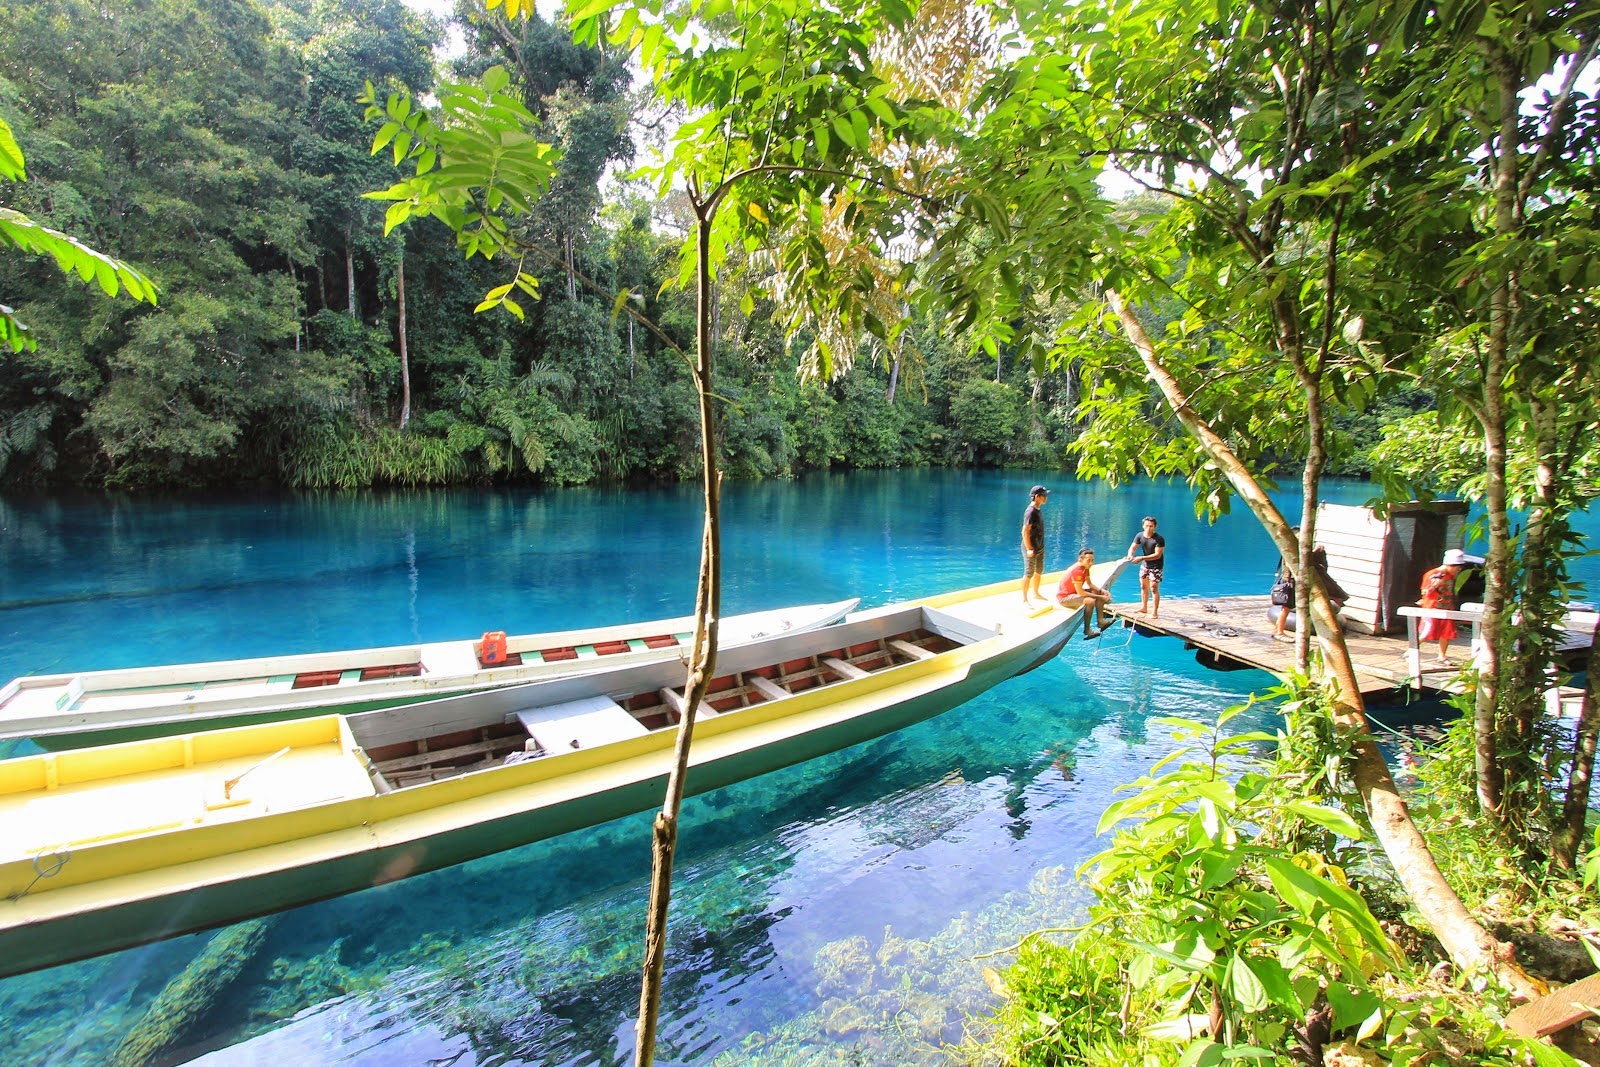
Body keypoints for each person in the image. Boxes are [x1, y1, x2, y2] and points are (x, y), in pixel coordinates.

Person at [1271, 544, 1348, 641]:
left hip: (1297, 584)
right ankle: (1278, 632)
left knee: (1288, 609)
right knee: (1286, 609)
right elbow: (1298, 565)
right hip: (1290, 584)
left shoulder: (1292, 553)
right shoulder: (1289, 554)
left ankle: (1278, 631)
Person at [1418, 548, 1468, 665]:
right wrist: (1433, 586)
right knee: (1426, 633)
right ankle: (1411, 651)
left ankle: (1442, 655)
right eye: (1457, 567)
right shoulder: (1432, 574)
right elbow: (1425, 592)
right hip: (1433, 608)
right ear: (1451, 565)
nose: (1458, 570)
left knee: (1446, 633)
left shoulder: (1450, 576)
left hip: (1446, 608)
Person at [1056, 547, 1114, 638]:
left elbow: (1090, 584)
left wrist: (1102, 591)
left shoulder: (1085, 567)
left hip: (1074, 593)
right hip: (1065, 598)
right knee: (1090, 601)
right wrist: (1101, 598)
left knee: (1098, 592)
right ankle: (1087, 630)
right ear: (1081, 559)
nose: (1091, 563)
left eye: (1092, 560)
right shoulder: (1077, 571)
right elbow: (1081, 593)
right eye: (1088, 560)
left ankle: (1101, 621)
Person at [1126, 516, 1165, 618]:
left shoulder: (1159, 539)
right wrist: (1130, 555)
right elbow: (1132, 547)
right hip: (1145, 565)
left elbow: (1157, 555)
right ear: (1143, 526)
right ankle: (1144, 607)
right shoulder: (1139, 535)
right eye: (1147, 526)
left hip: (1156, 566)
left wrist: (1141, 558)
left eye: (1151, 526)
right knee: (1143, 587)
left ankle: (1155, 611)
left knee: (1153, 588)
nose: (1149, 528)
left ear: (1155, 527)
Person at [1020, 485, 1049, 605]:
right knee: (1029, 573)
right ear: (1037, 497)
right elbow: (1025, 531)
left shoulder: (1037, 509)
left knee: (1039, 571)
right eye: (1044, 495)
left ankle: (1036, 593)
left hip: (1039, 546)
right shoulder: (1030, 511)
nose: (1046, 498)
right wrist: (1029, 549)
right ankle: (1025, 599)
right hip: (1031, 547)